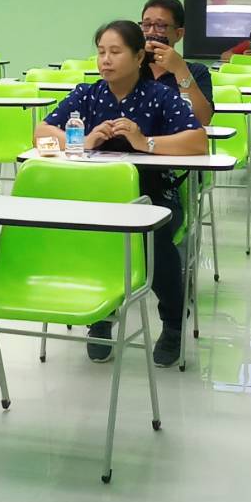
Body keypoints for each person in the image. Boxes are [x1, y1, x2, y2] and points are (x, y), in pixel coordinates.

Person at [35, 19, 209, 368]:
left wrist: (145, 142)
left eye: (115, 52)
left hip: (153, 196)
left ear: (139, 56)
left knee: (154, 242)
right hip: (96, 196)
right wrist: (83, 141)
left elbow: (198, 141)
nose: (105, 60)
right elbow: (41, 133)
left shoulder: (160, 95)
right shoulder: (88, 94)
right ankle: (101, 315)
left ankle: (173, 322)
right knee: (88, 238)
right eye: (101, 52)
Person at [139, 0, 214, 126]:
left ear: (178, 34)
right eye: (146, 25)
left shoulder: (196, 71)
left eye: (160, 26)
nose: (151, 32)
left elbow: (202, 120)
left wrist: (180, 70)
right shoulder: (132, 67)